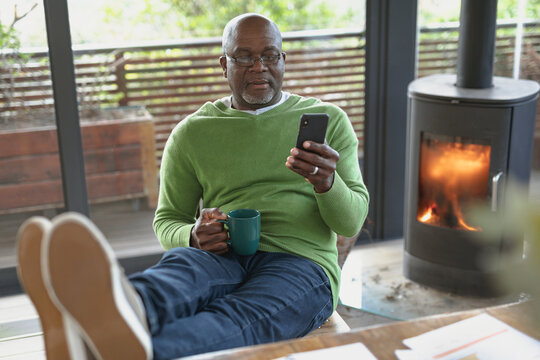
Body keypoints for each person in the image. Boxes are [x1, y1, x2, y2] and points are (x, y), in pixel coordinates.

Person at [17, 13, 369, 360]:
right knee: (176, 279)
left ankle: (97, 345)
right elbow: (167, 220)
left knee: (240, 318)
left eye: (269, 55)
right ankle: (91, 310)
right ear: (223, 64)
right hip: (220, 254)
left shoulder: (330, 120)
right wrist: (192, 236)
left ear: (283, 60)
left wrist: (326, 182)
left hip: (300, 263)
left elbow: (350, 222)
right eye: (243, 56)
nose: (258, 66)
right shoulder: (192, 132)